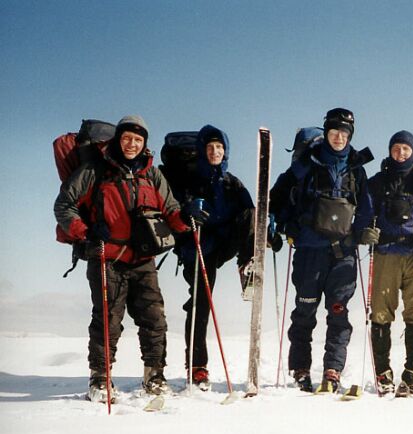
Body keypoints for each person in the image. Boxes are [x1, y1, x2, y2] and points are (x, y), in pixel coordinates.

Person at [54, 115, 190, 402]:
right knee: (107, 321)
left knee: (154, 320)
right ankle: (100, 379)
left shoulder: (151, 174)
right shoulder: (95, 170)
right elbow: (65, 204)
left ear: (144, 144)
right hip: (107, 256)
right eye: (127, 138)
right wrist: (86, 232)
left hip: (143, 259)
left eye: (138, 140)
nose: (132, 144)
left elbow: (171, 209)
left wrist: (186, 220)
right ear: (118, 139)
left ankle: (154, 375)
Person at [269, 108, 373, 392]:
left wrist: (364, 232)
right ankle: (301, 369)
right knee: (304, 311)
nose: (339, 137)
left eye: (344, 133)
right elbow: (276, 198)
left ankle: (332, 370)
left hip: (343, 254)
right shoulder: (305, 166)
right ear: (326, 133)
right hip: (309, 251)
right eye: (334, 131)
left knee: (338, 312)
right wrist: (277, 225)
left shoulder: (356, 169)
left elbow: (365, 207)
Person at [171, 125, 269, 390]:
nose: (215, 152)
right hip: (198, 247)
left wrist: (265, 227)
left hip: (223, 244)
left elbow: (250, 212)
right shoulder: (188, 180)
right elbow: (173, 212)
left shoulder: (232, 183)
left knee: (250, 211)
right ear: (203, 150)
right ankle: (197, 366)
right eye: (210, 147)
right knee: (201, 304)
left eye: (220, 147)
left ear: (226, 151)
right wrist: (187, 212)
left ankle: (246, 263)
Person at [367, 130, 413, 396]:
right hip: (385, 252)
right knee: (381, 313)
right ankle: (383, 371)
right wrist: (365, 232)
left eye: (406, 149)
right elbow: (364, 213)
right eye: (396, 149)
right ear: (390, 152)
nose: (400, 154)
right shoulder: (377, 182)